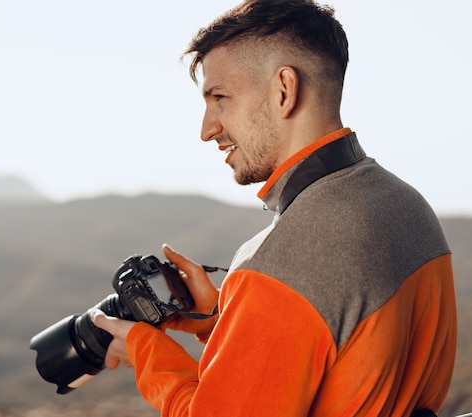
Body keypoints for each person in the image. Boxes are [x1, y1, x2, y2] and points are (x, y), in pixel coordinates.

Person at [91, 0, 458, 415]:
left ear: (284, 89)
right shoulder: (405, 204)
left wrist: (145, 351)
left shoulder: (280, 265)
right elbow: (353, 357)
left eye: (220, 97)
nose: (207, 129)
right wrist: (225, 320)